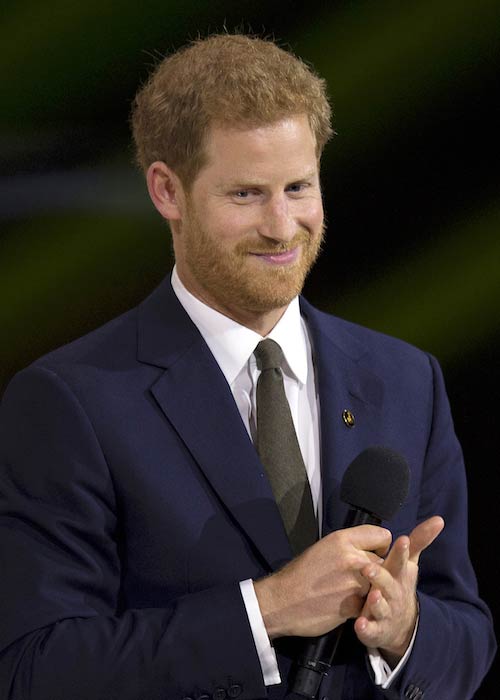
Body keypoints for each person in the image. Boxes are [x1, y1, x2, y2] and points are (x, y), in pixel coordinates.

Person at [0, 34, 495, 700]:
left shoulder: (407, 380)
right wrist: (265, 611)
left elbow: (468, 636)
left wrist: (406, 630)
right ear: (167, 191)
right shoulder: (68, 402)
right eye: (246, 195)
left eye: (299, 187)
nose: (281, 225)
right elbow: (35, 670)